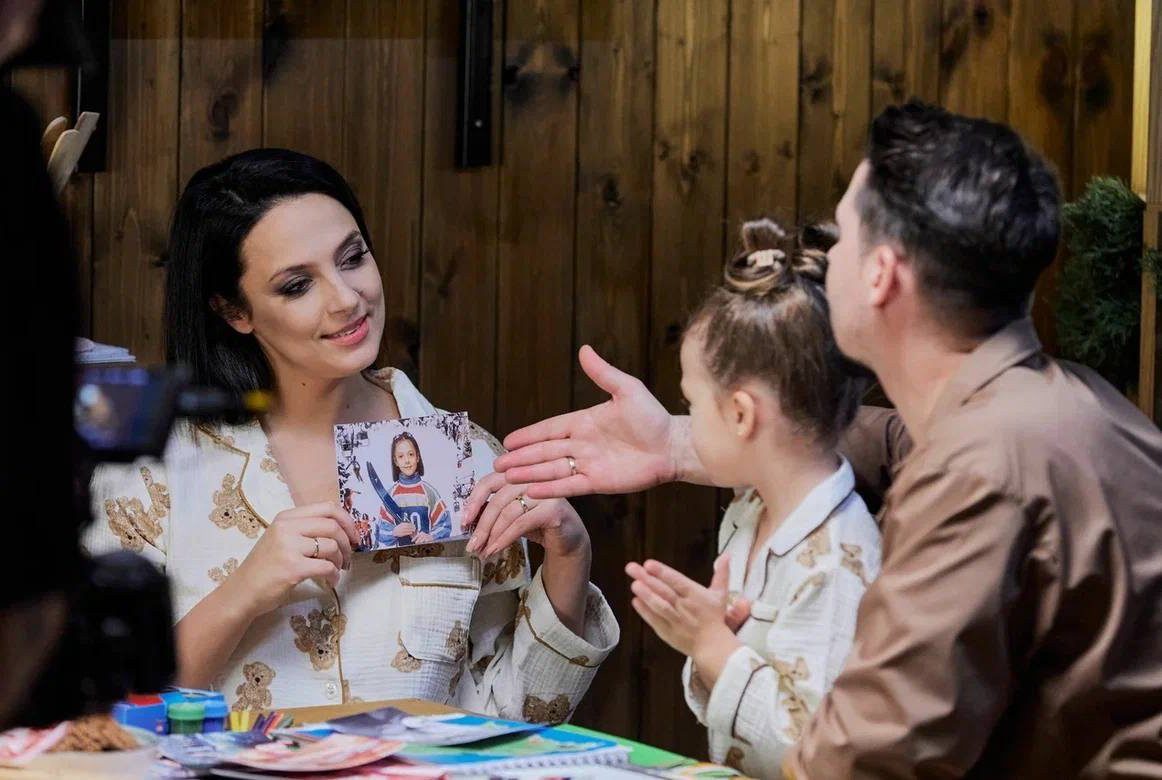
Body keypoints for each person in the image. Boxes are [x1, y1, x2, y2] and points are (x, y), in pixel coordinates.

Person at [475, 101, 1162, 777]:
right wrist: (685, 443)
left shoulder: (978, 470)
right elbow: (882, 440)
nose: (819, 259)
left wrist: (720, 655)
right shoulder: (1060, 403)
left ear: (881, 274)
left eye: (844, 235)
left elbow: (859, 765)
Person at [85, 149, 619, 718]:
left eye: (353, 257)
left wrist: (569, 554)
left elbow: (508, 719)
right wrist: (243, 594)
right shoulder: (150, 468)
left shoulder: (465, 460)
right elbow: (99, 713)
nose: (346, 299)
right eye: (296, 285)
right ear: (233, 309)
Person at [619, 219, 879, 778]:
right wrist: (708, 640)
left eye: (692, 402)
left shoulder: (838, 556)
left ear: (740, 414)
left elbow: (820, 750)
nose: (684, 420)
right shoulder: (749, 513)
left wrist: (712, 644)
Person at [367, 432, 452, 547]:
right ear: (395, 461)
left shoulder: (429, 492)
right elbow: (380, 532)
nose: (407, 460)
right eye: (401, 456)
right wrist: (394, 532)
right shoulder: (391, 495)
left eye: (411, 454)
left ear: (417, 457)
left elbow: (445, 524)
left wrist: (431, 536)